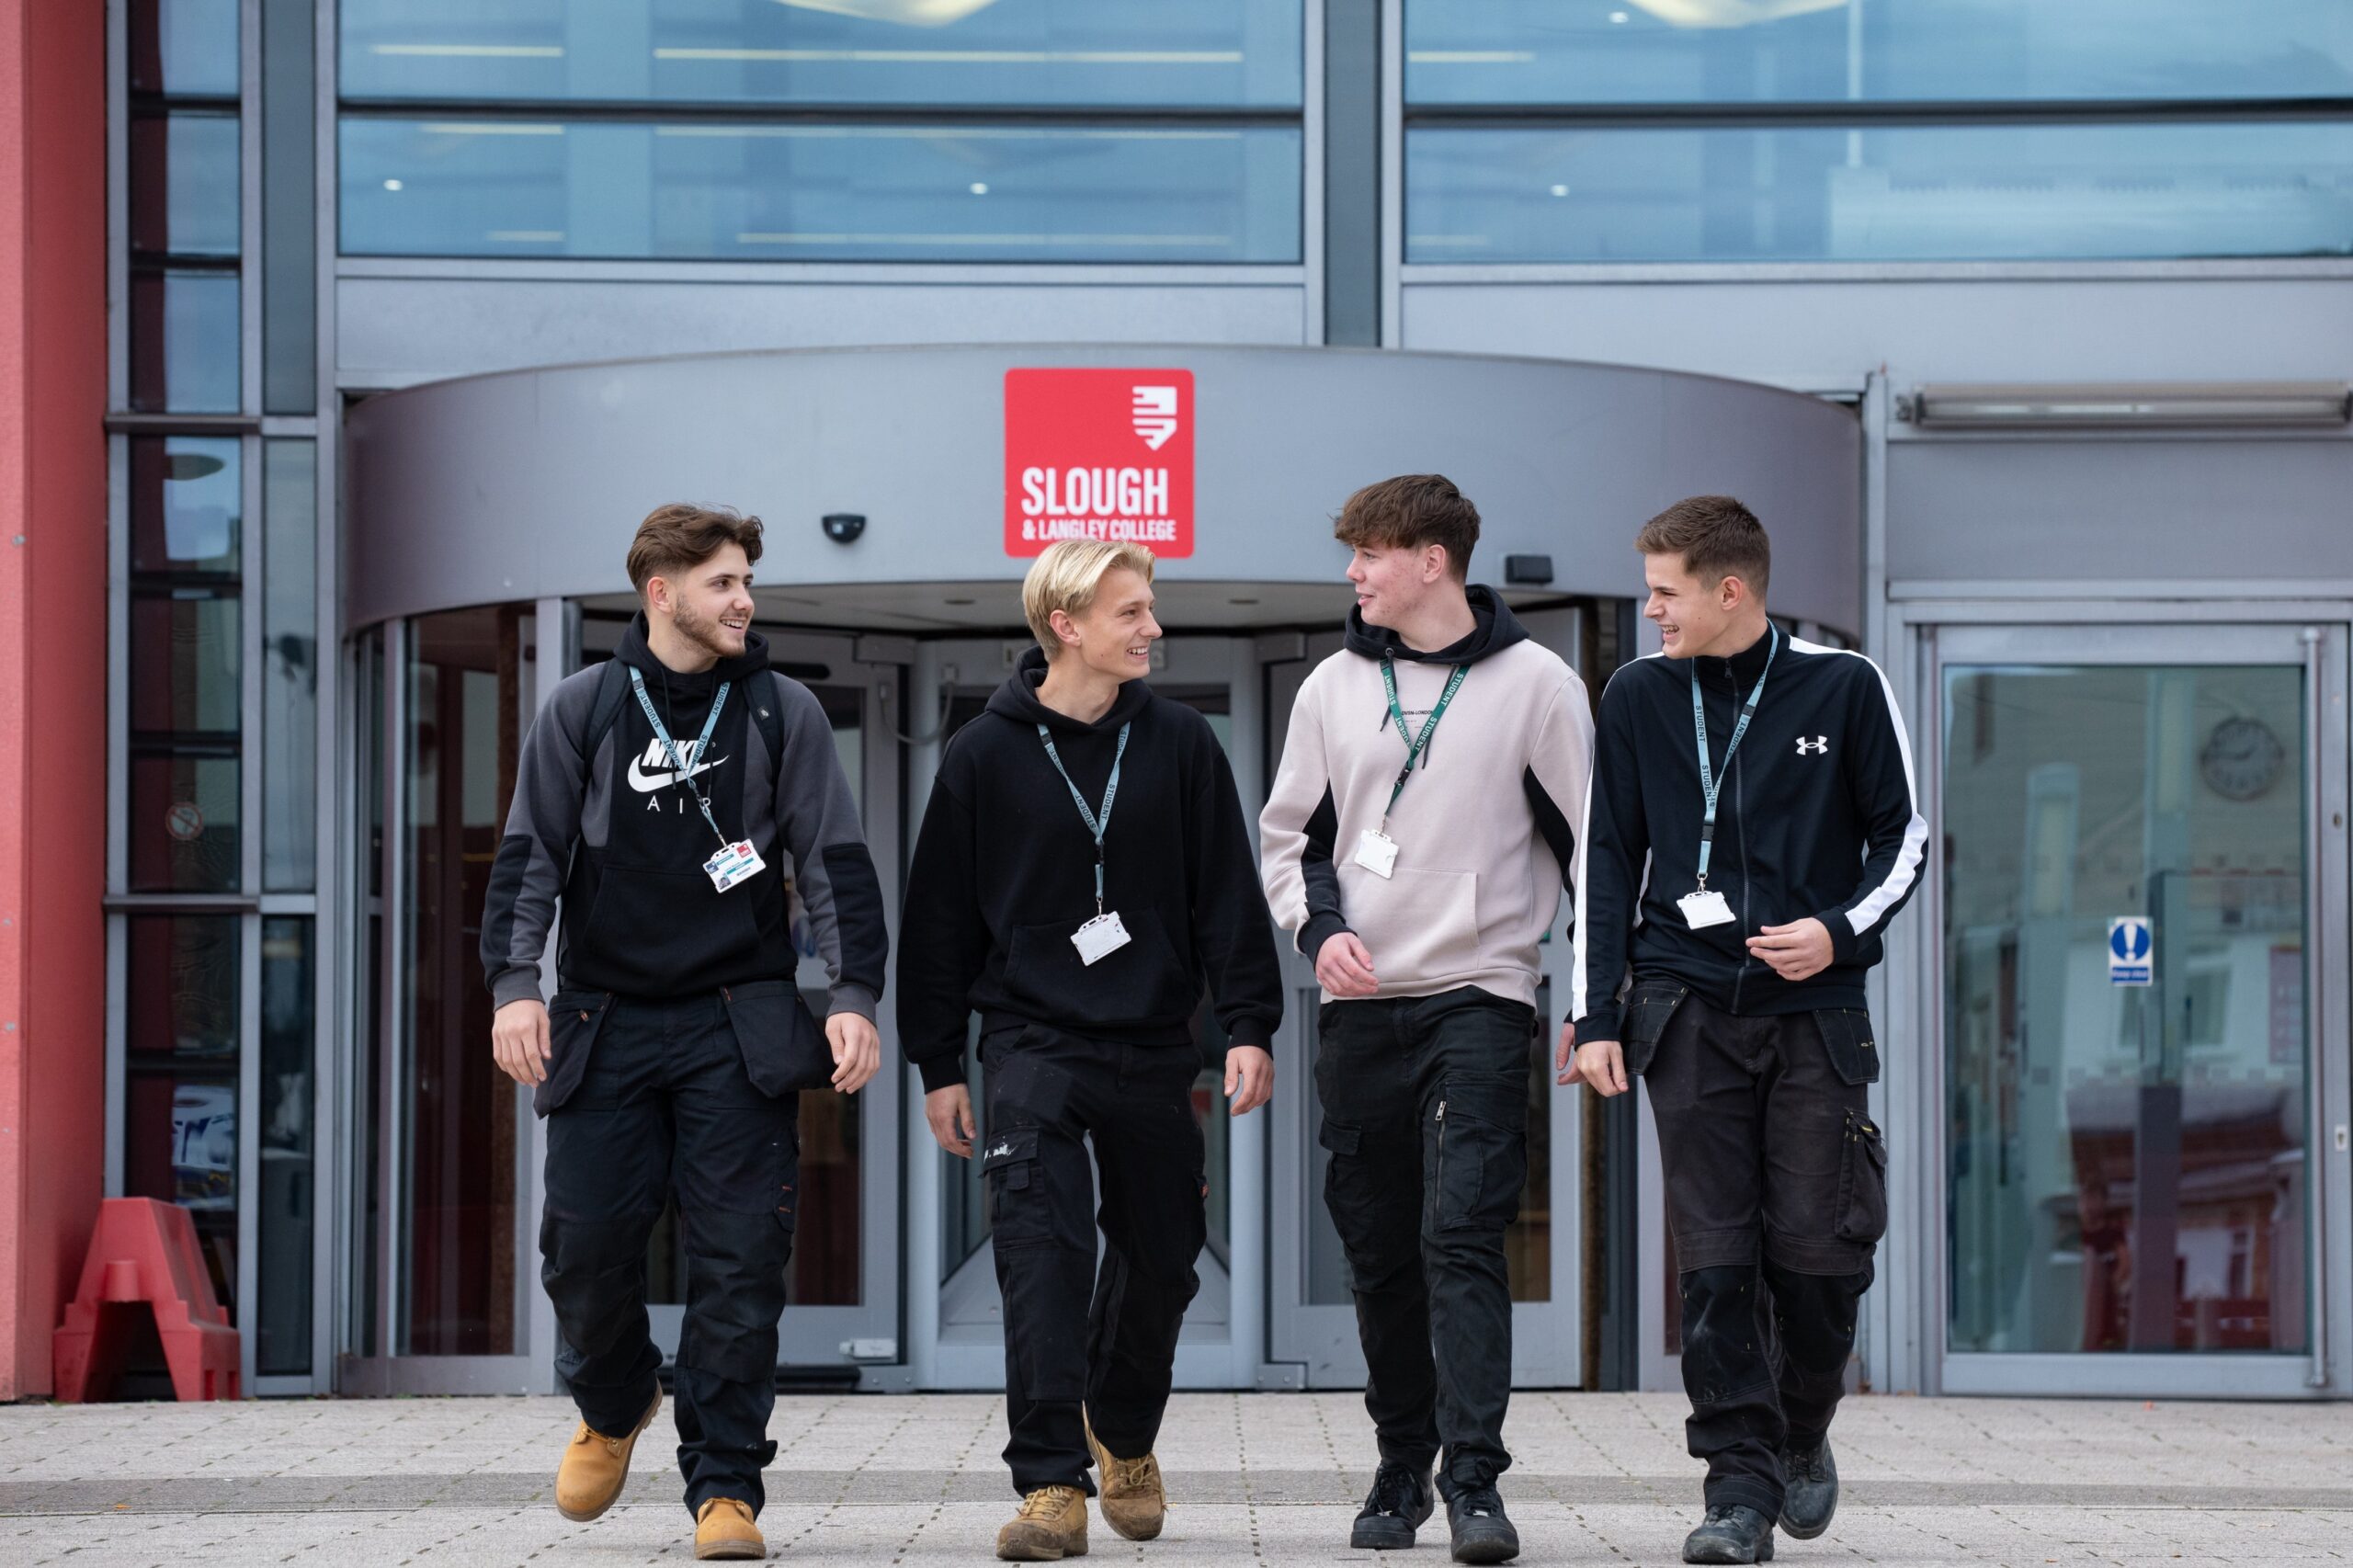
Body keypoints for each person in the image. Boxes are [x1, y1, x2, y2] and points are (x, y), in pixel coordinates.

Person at [482, 503, 889, 1563]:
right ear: (660, 593)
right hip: (602, 1022)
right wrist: (514, 983)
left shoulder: (780, 711)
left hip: (736, 1024)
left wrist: (851, 995)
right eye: (721, 582)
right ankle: (614, 1401)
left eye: (746, 579)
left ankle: (725, 1487)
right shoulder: (583, 708)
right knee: (582, 1246)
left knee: (741, 1262)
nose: (743, 598)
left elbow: (834, 858)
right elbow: (529, 855)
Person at [898, 540, 1283, 1563]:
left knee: (1163, 1259)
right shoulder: (982, 753)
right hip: (1030, 1041)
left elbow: (1228, 899)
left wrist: (1249, 1023)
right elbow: (936, 920)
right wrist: (938, 1062)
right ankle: (1049, 1484)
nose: (1152, 627)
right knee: (1042, 1256)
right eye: (1132, 612)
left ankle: (1120, 1426)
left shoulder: (1182, 742)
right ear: (1066, 625)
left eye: (1150, 608)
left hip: (1155, 1043)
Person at [1563, 495, 1924, 1566]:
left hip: (1814, 1011)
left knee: (1817, 1259)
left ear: (1731, 590)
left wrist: (1837, 929)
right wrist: (1594, 1013)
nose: (1649, 610)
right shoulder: (1634, 694)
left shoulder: (1844, 685)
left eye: (1664, 591)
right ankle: (1736, 1491)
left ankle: (1800, 1427)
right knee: (1716, 1263)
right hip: (1684, 1008)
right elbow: (1605, 859)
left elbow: (1900, 838)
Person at [1261, 474, 1592, 1566]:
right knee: (1379, 1252)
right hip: (1360, 1011)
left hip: (1481, 1000)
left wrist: (1592, 1002)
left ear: (1431, 561)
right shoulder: (1329, 686)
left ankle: (1474, 1482)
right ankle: (1398, 1462)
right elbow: (1292, 840)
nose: (1353, 574)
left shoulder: (1538, 684)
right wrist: (1317, 935)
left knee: (1460, 1235)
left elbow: (1595, 852)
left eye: (1368, 554)